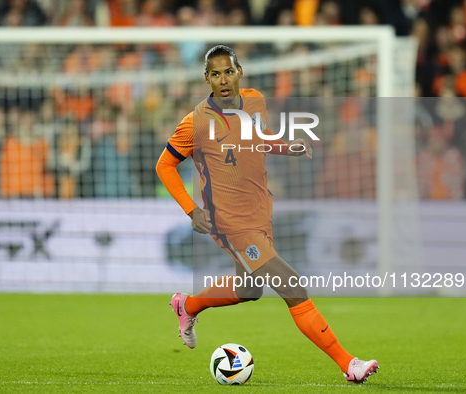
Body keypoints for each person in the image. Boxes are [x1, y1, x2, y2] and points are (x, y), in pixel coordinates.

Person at [155, 45, 379, 384]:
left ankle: (188, 305)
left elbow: (257, 136)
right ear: (206, 79)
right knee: (293, 286)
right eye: (215, 74)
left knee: (249, 290)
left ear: (239, 72)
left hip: (260, 212)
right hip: (229, 222)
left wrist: (286, 145)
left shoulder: (255, 101)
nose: (223, 79)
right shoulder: (196, 123)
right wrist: (191, 210)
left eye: (228, 71)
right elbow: (165, 165)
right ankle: (350, 364)